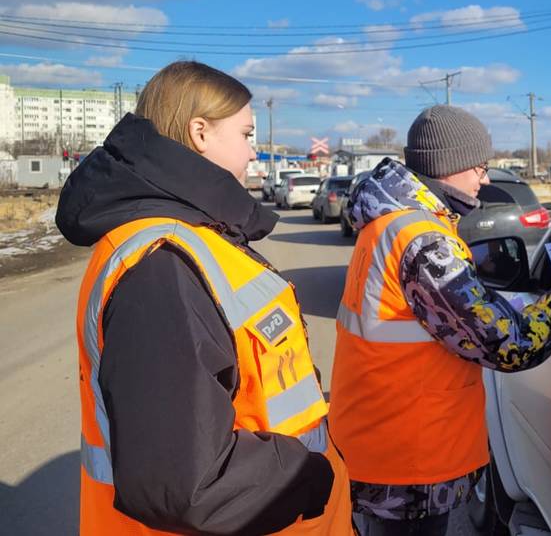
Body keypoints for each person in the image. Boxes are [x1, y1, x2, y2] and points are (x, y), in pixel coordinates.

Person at [56, 61, 353, 534]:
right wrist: (313, 475)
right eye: (246, 134)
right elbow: (186, 481)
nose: (254, 153)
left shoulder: (195, 239)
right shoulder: (161, 264)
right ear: (200, 133)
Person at [327, 105, 551, 535]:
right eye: (480, 167)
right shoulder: (425, 240)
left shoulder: (389, 225)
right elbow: (507, 343)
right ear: (450, 166)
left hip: (379, 439)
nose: (485, 179)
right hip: (411, 457)